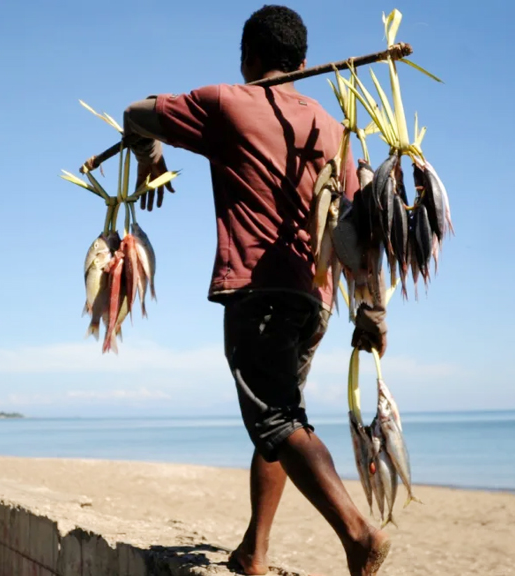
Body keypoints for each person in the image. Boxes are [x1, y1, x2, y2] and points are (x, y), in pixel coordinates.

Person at [120, 5, 390, 576]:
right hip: (314, 297)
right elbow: (352, 225)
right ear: (304, 62)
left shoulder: (226, 103)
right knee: (281, 418)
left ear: (250, 57)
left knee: (276, 422)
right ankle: (254, 552)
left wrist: (150, 159)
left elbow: (135, 112)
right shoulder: (330, 128)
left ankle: (358, 533)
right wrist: (373, 310)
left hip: (258, 290)